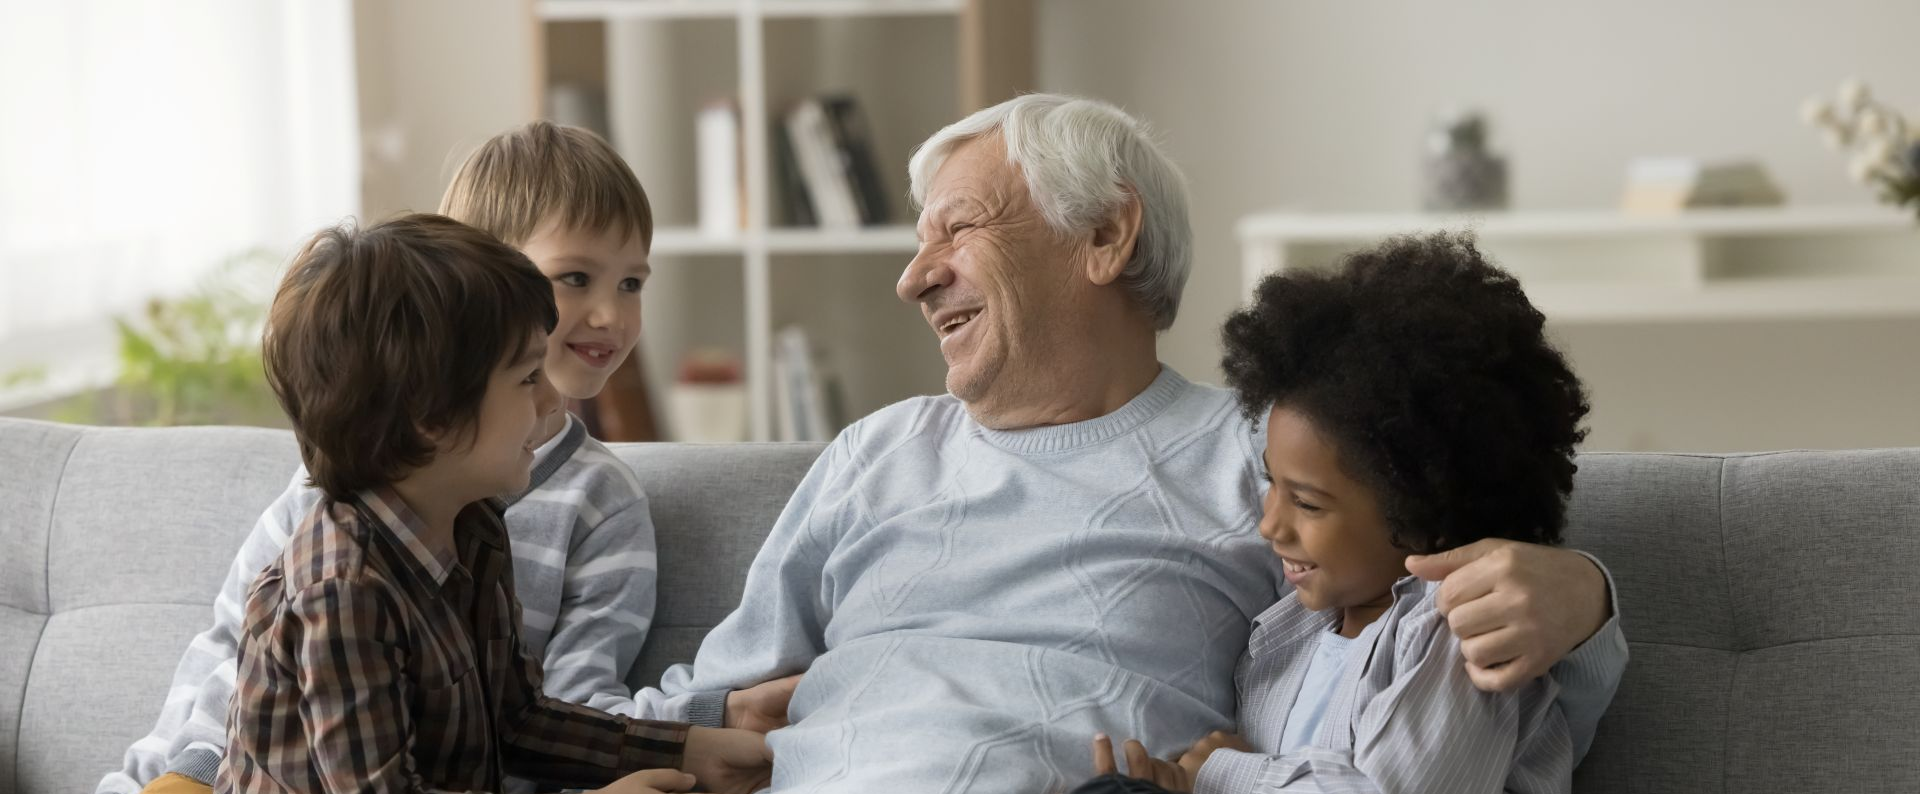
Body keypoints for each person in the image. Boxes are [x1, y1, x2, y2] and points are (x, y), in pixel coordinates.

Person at [628, 94, 1626, 792]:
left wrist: (1582, 593)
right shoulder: (871, 454)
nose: (914, 277)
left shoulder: (1267, 459)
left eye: (956, 228)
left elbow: (1423, 669)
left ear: (1106, 234)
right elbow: (708, 698)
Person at [102, 121, 667, 794]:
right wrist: (189, 774)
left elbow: (567, 709)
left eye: (633, 283)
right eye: (575, 278)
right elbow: (238, 655)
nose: (611, 314)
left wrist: (695, 730)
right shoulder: (340, 495)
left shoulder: (591, 506)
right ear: (475, 281)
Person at [219, 213, 768, 793]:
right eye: (529, 377)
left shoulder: (475, 528)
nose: (554, 397)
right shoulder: (341, 590)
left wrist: (686, 747)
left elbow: (518, 722)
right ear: (432, 416)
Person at [1085, 232, 1614, 793]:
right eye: (1271, 483)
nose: (1270, 524)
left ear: (1422, 510)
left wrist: (1221, 774)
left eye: (1307, 502)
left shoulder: (1456, 629)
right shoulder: (1288, 632)